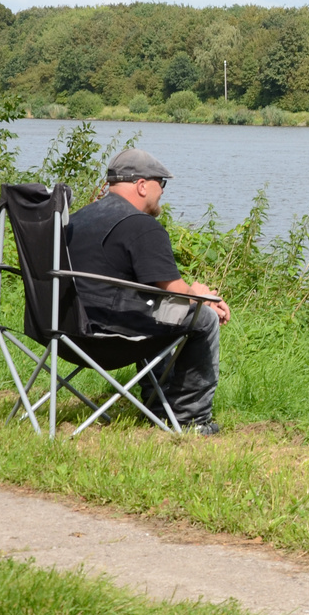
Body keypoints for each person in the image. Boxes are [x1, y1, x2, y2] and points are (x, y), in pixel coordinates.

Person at [66, 149, 231, 435]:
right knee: (200, 318)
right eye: (161, 184)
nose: (162, 193)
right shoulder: (141, 226)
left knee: (158, 310)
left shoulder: (76, 220)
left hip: (62, 330)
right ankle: (191, 420)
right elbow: (177, 293)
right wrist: (204, 296)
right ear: (142, 185)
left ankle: (159, 407)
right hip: (108, 337)